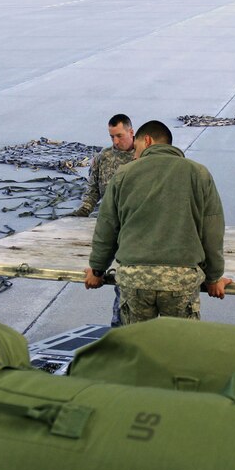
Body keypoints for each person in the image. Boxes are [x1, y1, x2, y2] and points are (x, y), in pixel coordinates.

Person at [84, 120, 232, 324]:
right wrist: (214, 278)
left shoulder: (124, 174)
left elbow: (107, 225)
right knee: (181, 349)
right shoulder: (199, 173)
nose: (135, 156)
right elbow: (212, 230)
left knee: (136, 348)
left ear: (147, 140)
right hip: (180, 280)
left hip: (135, 279)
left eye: (136, 149)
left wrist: (97, 269)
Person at [69, 114, 136, 327]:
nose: (116, 142)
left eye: (119, 136)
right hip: (108, 227)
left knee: (126, 282)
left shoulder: (143, 157)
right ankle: (120, 329)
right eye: (111, 137)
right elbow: (92, 191)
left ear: (131, 132)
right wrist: (82, 212)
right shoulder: (103, 157)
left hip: (134, 230)